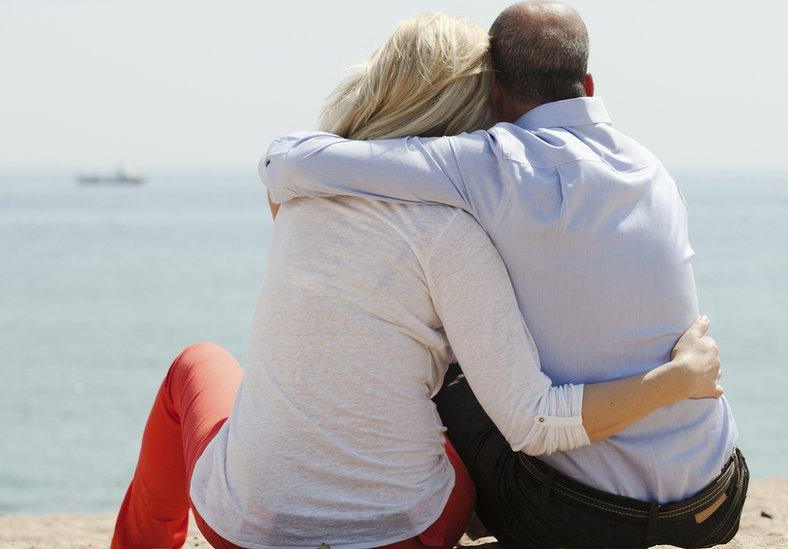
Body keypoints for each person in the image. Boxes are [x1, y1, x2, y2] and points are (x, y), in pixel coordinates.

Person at [112, 12, 724, 549]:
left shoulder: (303, 199)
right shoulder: (469, 223)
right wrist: (676, 379)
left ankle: (142, 542)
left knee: (196, 364)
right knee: (458, 379)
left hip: (246, 529)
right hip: (407, 534)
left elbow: (289, 162)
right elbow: (532, 419)